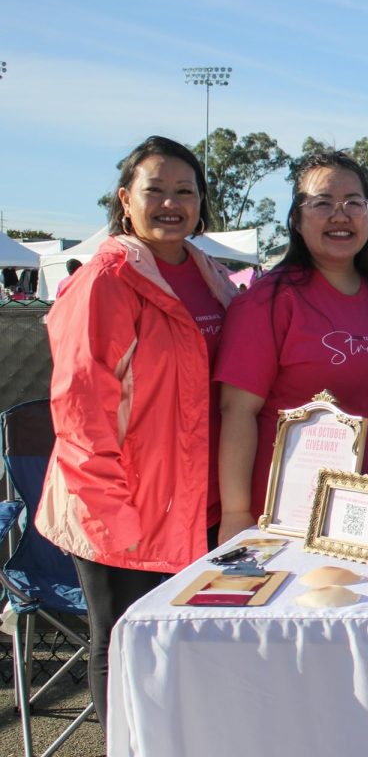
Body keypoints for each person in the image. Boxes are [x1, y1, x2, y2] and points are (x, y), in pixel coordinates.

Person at [35, 135, 235, 727]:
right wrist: (112, 516)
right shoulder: (106, 279)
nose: (171, 203)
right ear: (126, 199)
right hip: (123, 507)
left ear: (201, 202)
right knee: (124, 645)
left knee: (186, 646)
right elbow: (79, 407)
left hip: (200, 502)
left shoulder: (212, 275)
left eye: (185, 191)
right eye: (156, 190)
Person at [215, 151, 368, 545]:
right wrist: (236, 516)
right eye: (322, 203)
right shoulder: (269, 301)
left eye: (353, 203)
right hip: (292, 522)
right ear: (296, 217)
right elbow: (237, 412)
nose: (339, 216)